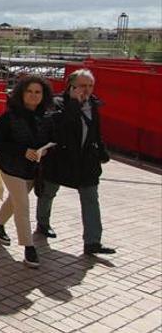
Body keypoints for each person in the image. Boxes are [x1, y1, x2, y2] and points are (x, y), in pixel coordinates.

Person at [36, 69, 115, 255]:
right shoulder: (57, 104)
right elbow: (57, 129)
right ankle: (43, 223)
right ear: (71, 86)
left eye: (90, 86)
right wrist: (73, 104)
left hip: (86, 162)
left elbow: (95, 131)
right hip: (60, 160)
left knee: (90, 199)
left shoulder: (93, 105)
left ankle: (93, 241)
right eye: (82, 86)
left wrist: (102, 152)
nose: (86, 90)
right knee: (48, 193)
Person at [0, 76, 53, 268]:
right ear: (22, 93)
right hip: (11, 167)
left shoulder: (46, 118)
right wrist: (22, 151)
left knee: (15, 200)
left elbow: (50, 139)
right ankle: (29, 248)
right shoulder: (9, 117)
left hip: (33, 170)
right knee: (23, 206)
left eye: (37, 92)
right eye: (29, 91)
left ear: (43, 95)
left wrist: (45, 150)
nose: (33, 96)